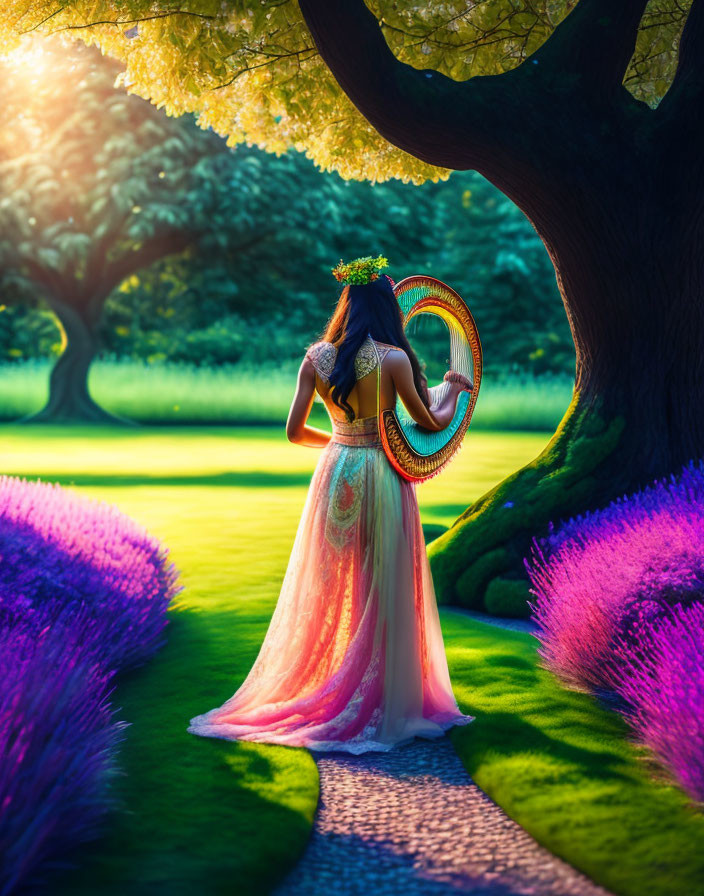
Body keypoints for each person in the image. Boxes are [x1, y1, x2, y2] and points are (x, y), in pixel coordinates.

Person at [187, 256, 474, 753]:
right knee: (382, 582)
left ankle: (345, 682)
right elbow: (429, 422)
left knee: (335, 581)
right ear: (390, 309)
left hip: (335, 471)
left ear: (346, 304)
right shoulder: (393, 359)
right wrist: (452, 389)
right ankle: (383, 695)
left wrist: (341, 445)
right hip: (380, 473)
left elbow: (294, 431)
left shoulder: (316, 357)